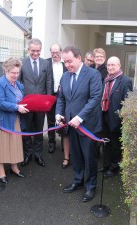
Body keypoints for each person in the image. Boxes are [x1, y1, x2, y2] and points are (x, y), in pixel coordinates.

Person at [56, 45, 102, 202]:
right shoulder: (65, 76)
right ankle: (78, 181)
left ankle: (90, 187)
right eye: (65, 62)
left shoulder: (93, 74)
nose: (67, 65)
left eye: (69, 61)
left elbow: (95, 98)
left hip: (87, 125)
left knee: (89, 158)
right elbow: (61, 98)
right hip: (70, 124)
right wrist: (58, 113)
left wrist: (80, 117)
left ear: (79, 58)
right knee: (75, 156)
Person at [0, 57, 29, 184]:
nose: (16, 75)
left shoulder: (18, 84)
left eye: (17, 73)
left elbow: (21, 98)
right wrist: (17, 107)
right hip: (1, 121)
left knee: (14, 144)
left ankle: (14, 167)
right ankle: (1, 170)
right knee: (1, 146)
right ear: (6, 70)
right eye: (13, 73)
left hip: (15, 119)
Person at [20, 38, 53, 167]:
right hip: (27, 104)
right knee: (27, 129)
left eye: (38, 51)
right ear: (28, 50)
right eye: (33, 50)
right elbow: (19, 82)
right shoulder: (22, 63)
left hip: (40, 104)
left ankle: (38, 155)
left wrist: (48, 100)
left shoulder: (46, 64)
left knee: (39, 130)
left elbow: (49, 82)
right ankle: (27, 154)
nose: (35, 53)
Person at [100, 56, 133, 178]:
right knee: (106, 143)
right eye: (108, 65)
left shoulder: (125, 81)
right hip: (104, 116)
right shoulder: (105, 79)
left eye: (113, 65)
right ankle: (106, 165)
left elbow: (127, 102)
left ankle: (114, 168)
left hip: (116, 120)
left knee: (115, 145)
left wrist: (121, 118)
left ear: (119, 66)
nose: (110, 67)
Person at [46, 43, 71, 168]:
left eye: (57, 52)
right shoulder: (46, 63)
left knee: (62, 118)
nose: (55, 54)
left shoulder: (66, 64)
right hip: (50, 95)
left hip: (64, 96)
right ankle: (51, 142)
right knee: (51, 119)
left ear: (61, 52)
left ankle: (64, 144)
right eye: (53, 52)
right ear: (50, 52)